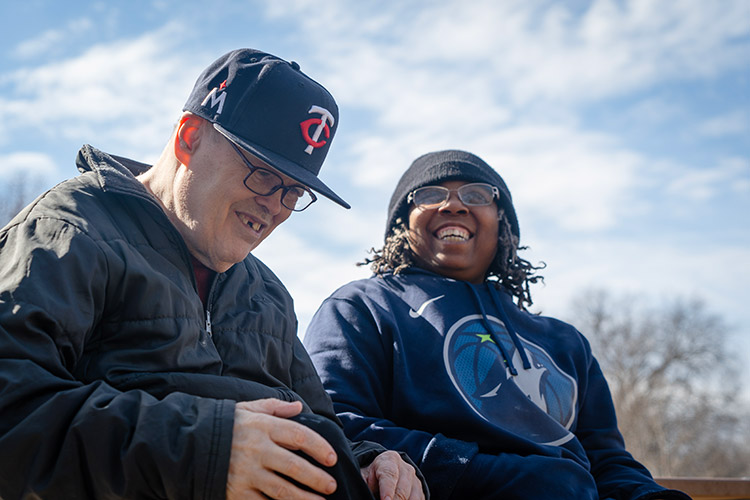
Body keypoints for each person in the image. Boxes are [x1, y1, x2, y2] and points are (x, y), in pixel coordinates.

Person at [0, 48, 426, 500]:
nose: (275, 208)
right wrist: (200, 451)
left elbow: (319, 423)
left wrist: (370, 460)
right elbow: (12, 408)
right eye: (263, 174)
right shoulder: (69, 232)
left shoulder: (265, 292)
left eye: (293, 192)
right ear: (189, 138)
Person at [304, 150, 692, 500]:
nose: (453, 205)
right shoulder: (362, 306)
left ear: (503, 225)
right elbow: (336, 424)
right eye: (430, 194)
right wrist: (481, 473)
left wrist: (647, 497)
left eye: (476, 195)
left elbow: (606, 460)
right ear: (402, 223)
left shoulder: (565, 342)